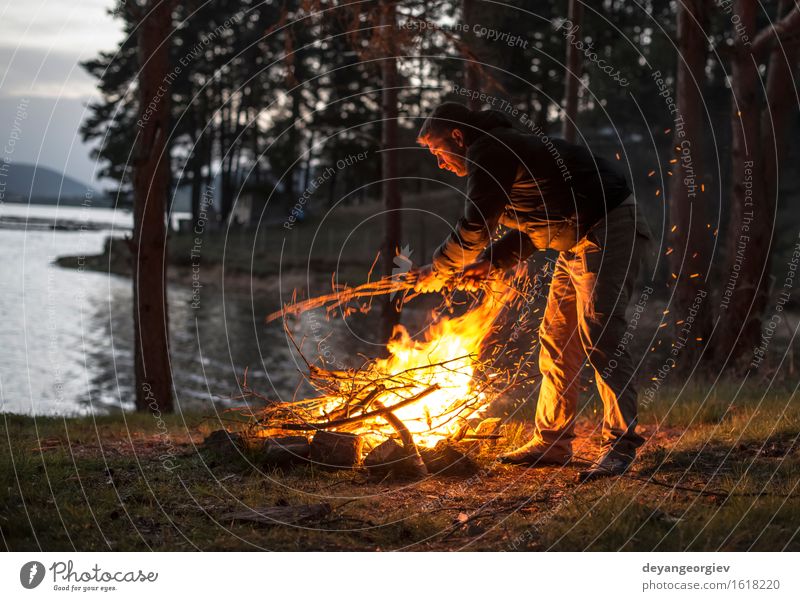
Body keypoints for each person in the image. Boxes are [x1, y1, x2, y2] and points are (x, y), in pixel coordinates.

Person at [413, 102, 653, 482]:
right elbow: (537, 223)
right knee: (557, 338)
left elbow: (475, 223)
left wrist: (439, 267)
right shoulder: (499, 152)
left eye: (437, 150)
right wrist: (493, 261)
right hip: (574, 238)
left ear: (457, 137)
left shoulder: (489, 150)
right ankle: (553, 442)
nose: (440, 163)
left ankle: (620, 446)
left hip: (608, 225)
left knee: (600, 330)